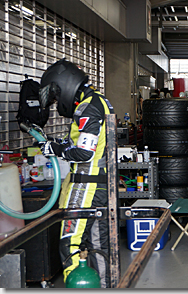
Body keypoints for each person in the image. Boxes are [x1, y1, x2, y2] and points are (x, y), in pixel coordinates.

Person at [38, 59, 114, 287]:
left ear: (65, 85)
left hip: (89, 186)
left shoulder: (89, 107)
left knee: (71, 243)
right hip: (93, 184)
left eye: (55, 96)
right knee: (95, 244)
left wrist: (56, 149)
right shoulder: (95, 101)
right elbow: (84, 142)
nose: (56, 102)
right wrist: (59, 144)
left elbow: (84, 152)